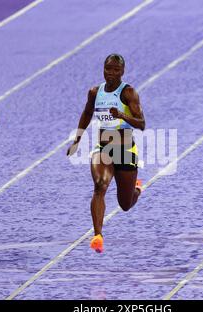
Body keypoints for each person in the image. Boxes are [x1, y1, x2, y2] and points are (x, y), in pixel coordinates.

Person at [67, 54, 145, 253]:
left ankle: (137, 189)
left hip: (126, 149)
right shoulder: (95, 92)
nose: (111, 73)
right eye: (107, 69)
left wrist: (121, 115)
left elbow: (142, 124)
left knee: (125, 204)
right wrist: (78, 139)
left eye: (116, 70)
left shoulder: (128, 93)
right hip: (103, 148)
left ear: (123, 72)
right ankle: (98, 235)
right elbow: (86, 113)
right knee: (100, 185)